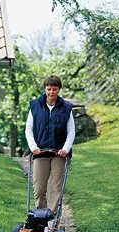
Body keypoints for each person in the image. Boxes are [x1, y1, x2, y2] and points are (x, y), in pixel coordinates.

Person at [25, 75, 75, 214]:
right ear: (45, 89)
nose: (51, 92)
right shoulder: (35, 106)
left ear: (59, 89)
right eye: (49, 89)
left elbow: (71, 131)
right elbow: (28, 129)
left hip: (59, 153)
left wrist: (65, 149)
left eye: (54, 89)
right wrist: (33, 147)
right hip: (40, 153)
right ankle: (40, 216)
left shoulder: (66, 108)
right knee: (39, 187)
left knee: (55, 187)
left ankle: (50, 217)